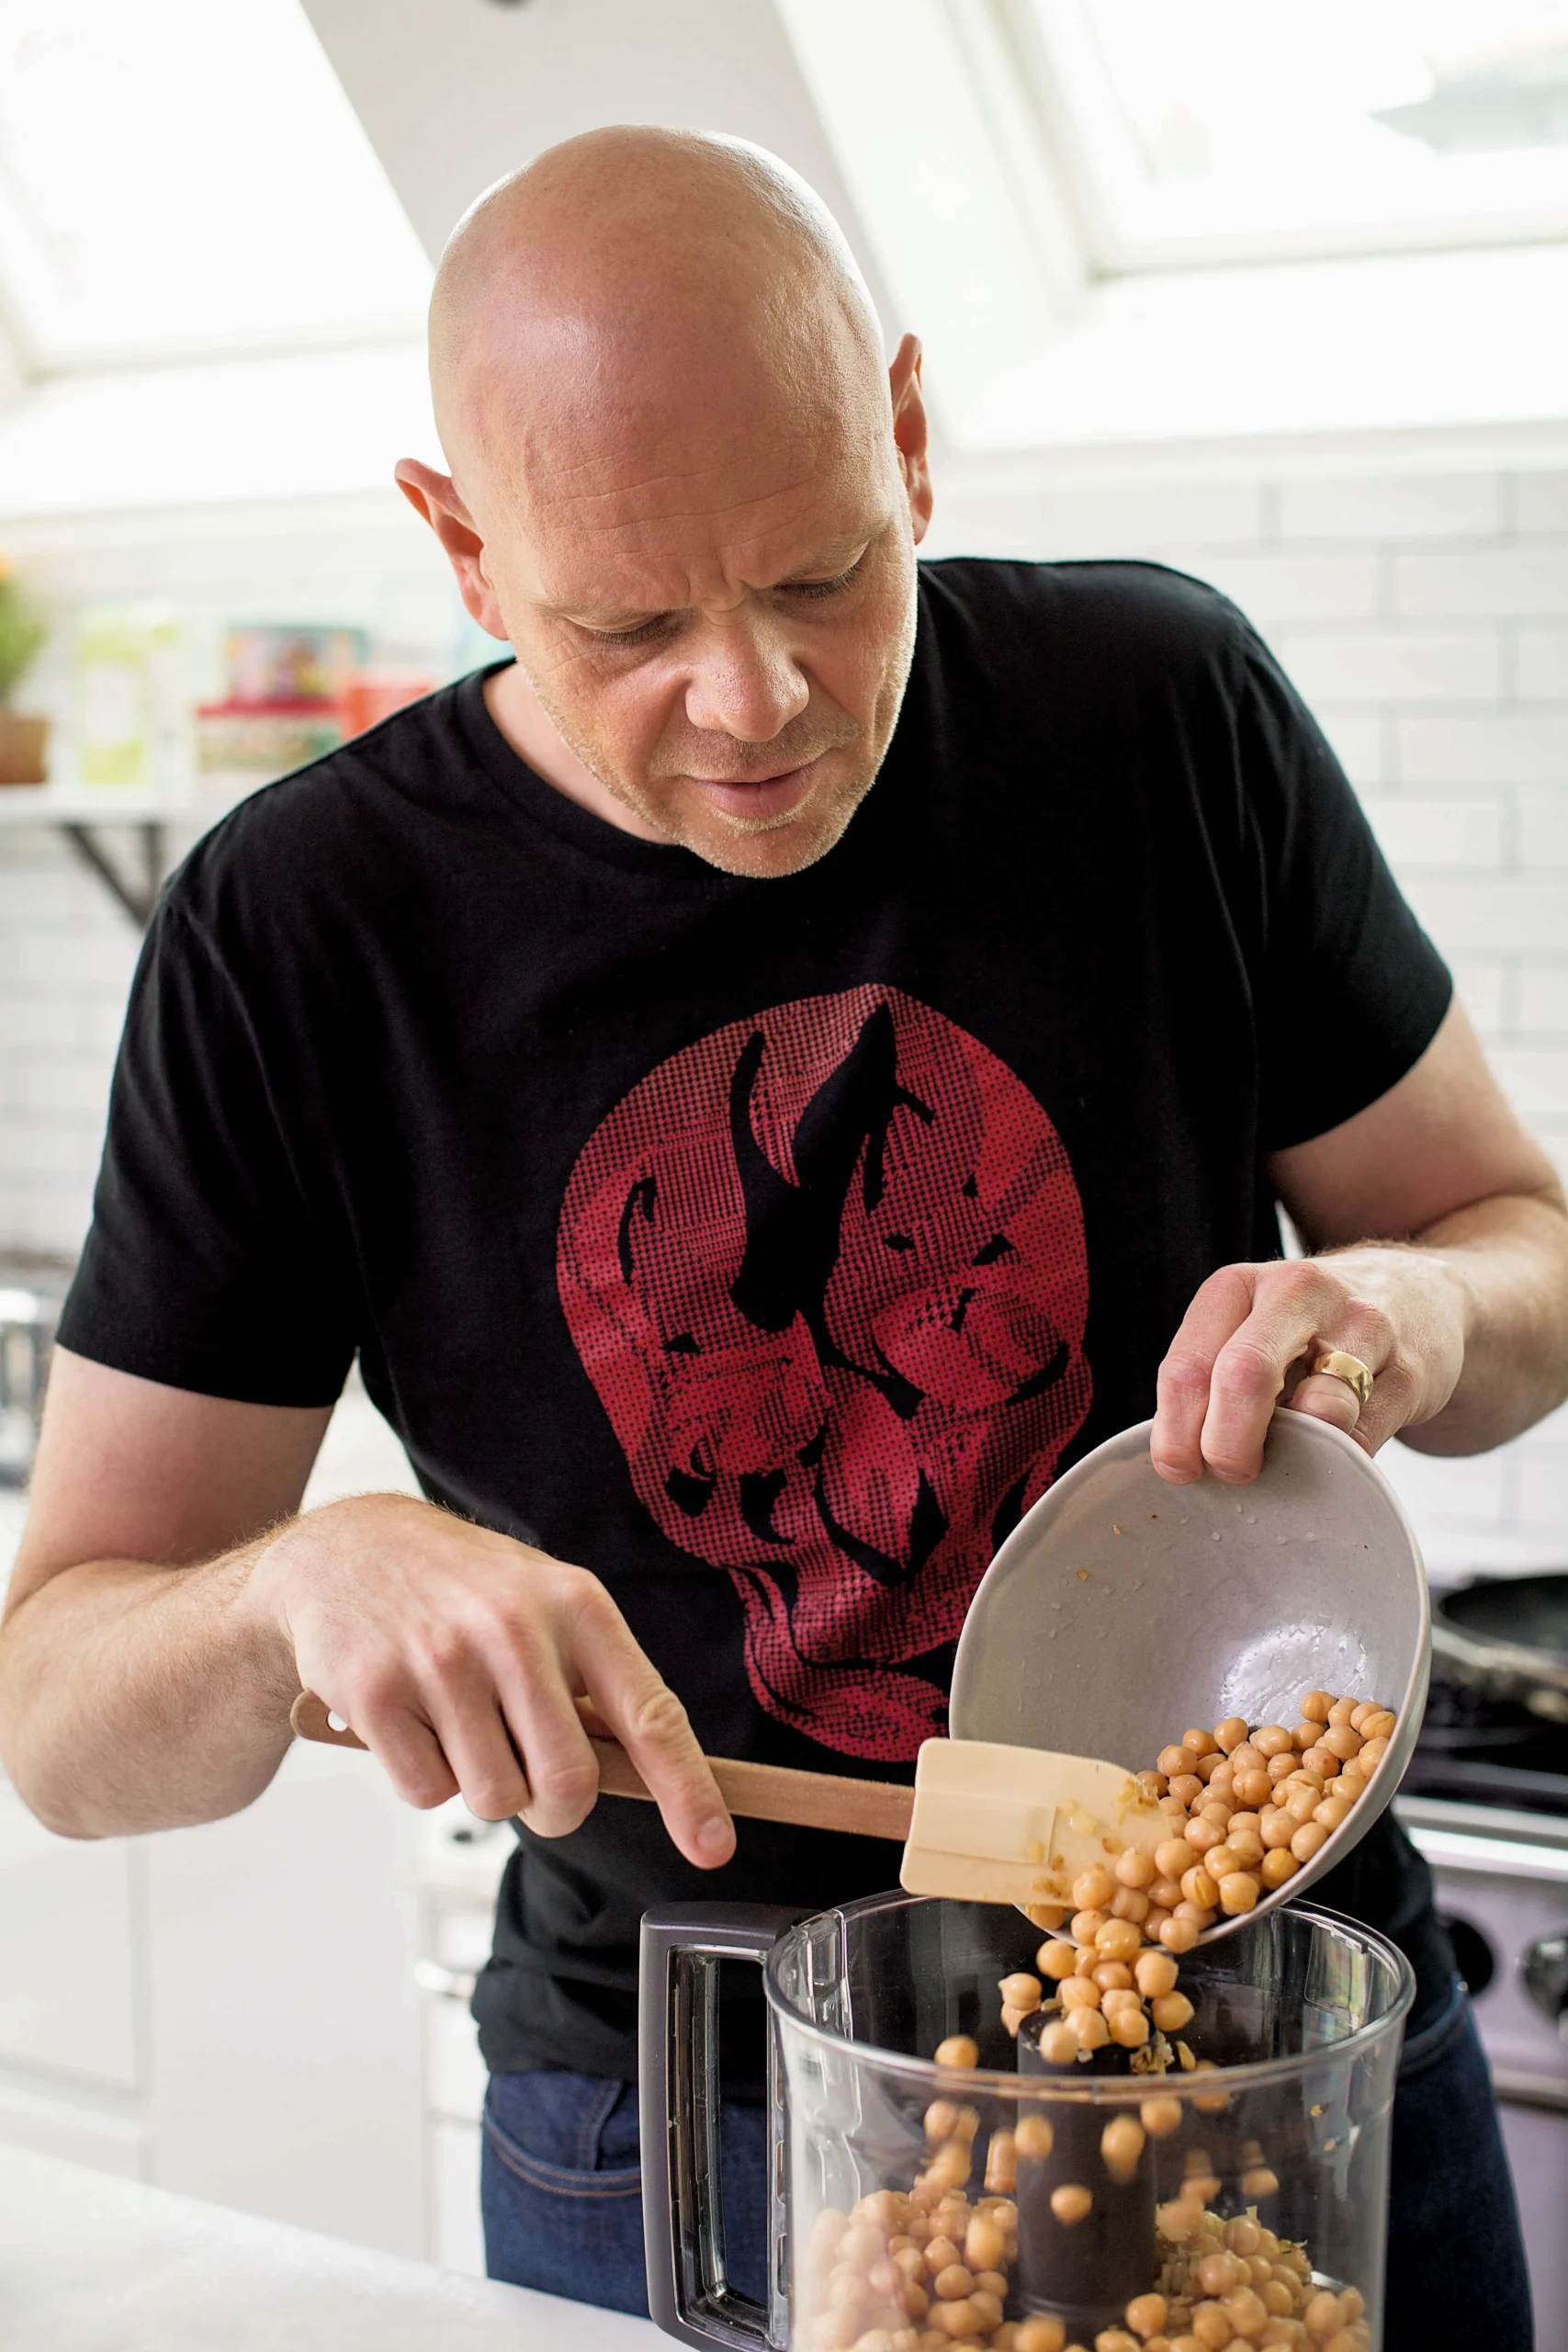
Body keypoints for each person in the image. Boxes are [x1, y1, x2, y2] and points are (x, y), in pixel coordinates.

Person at [0, 127, 1557, 2341]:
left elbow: (1521, 1252)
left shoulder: (1154, 714)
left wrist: (1406, 1303)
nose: (754, 703)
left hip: (1283, 2023)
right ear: (460, 545)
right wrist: (283, 1590)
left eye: (825, 570)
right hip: (694, 2108)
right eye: (627, 625)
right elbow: (58, 1711)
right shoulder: (303, 930)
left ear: (910, 433)